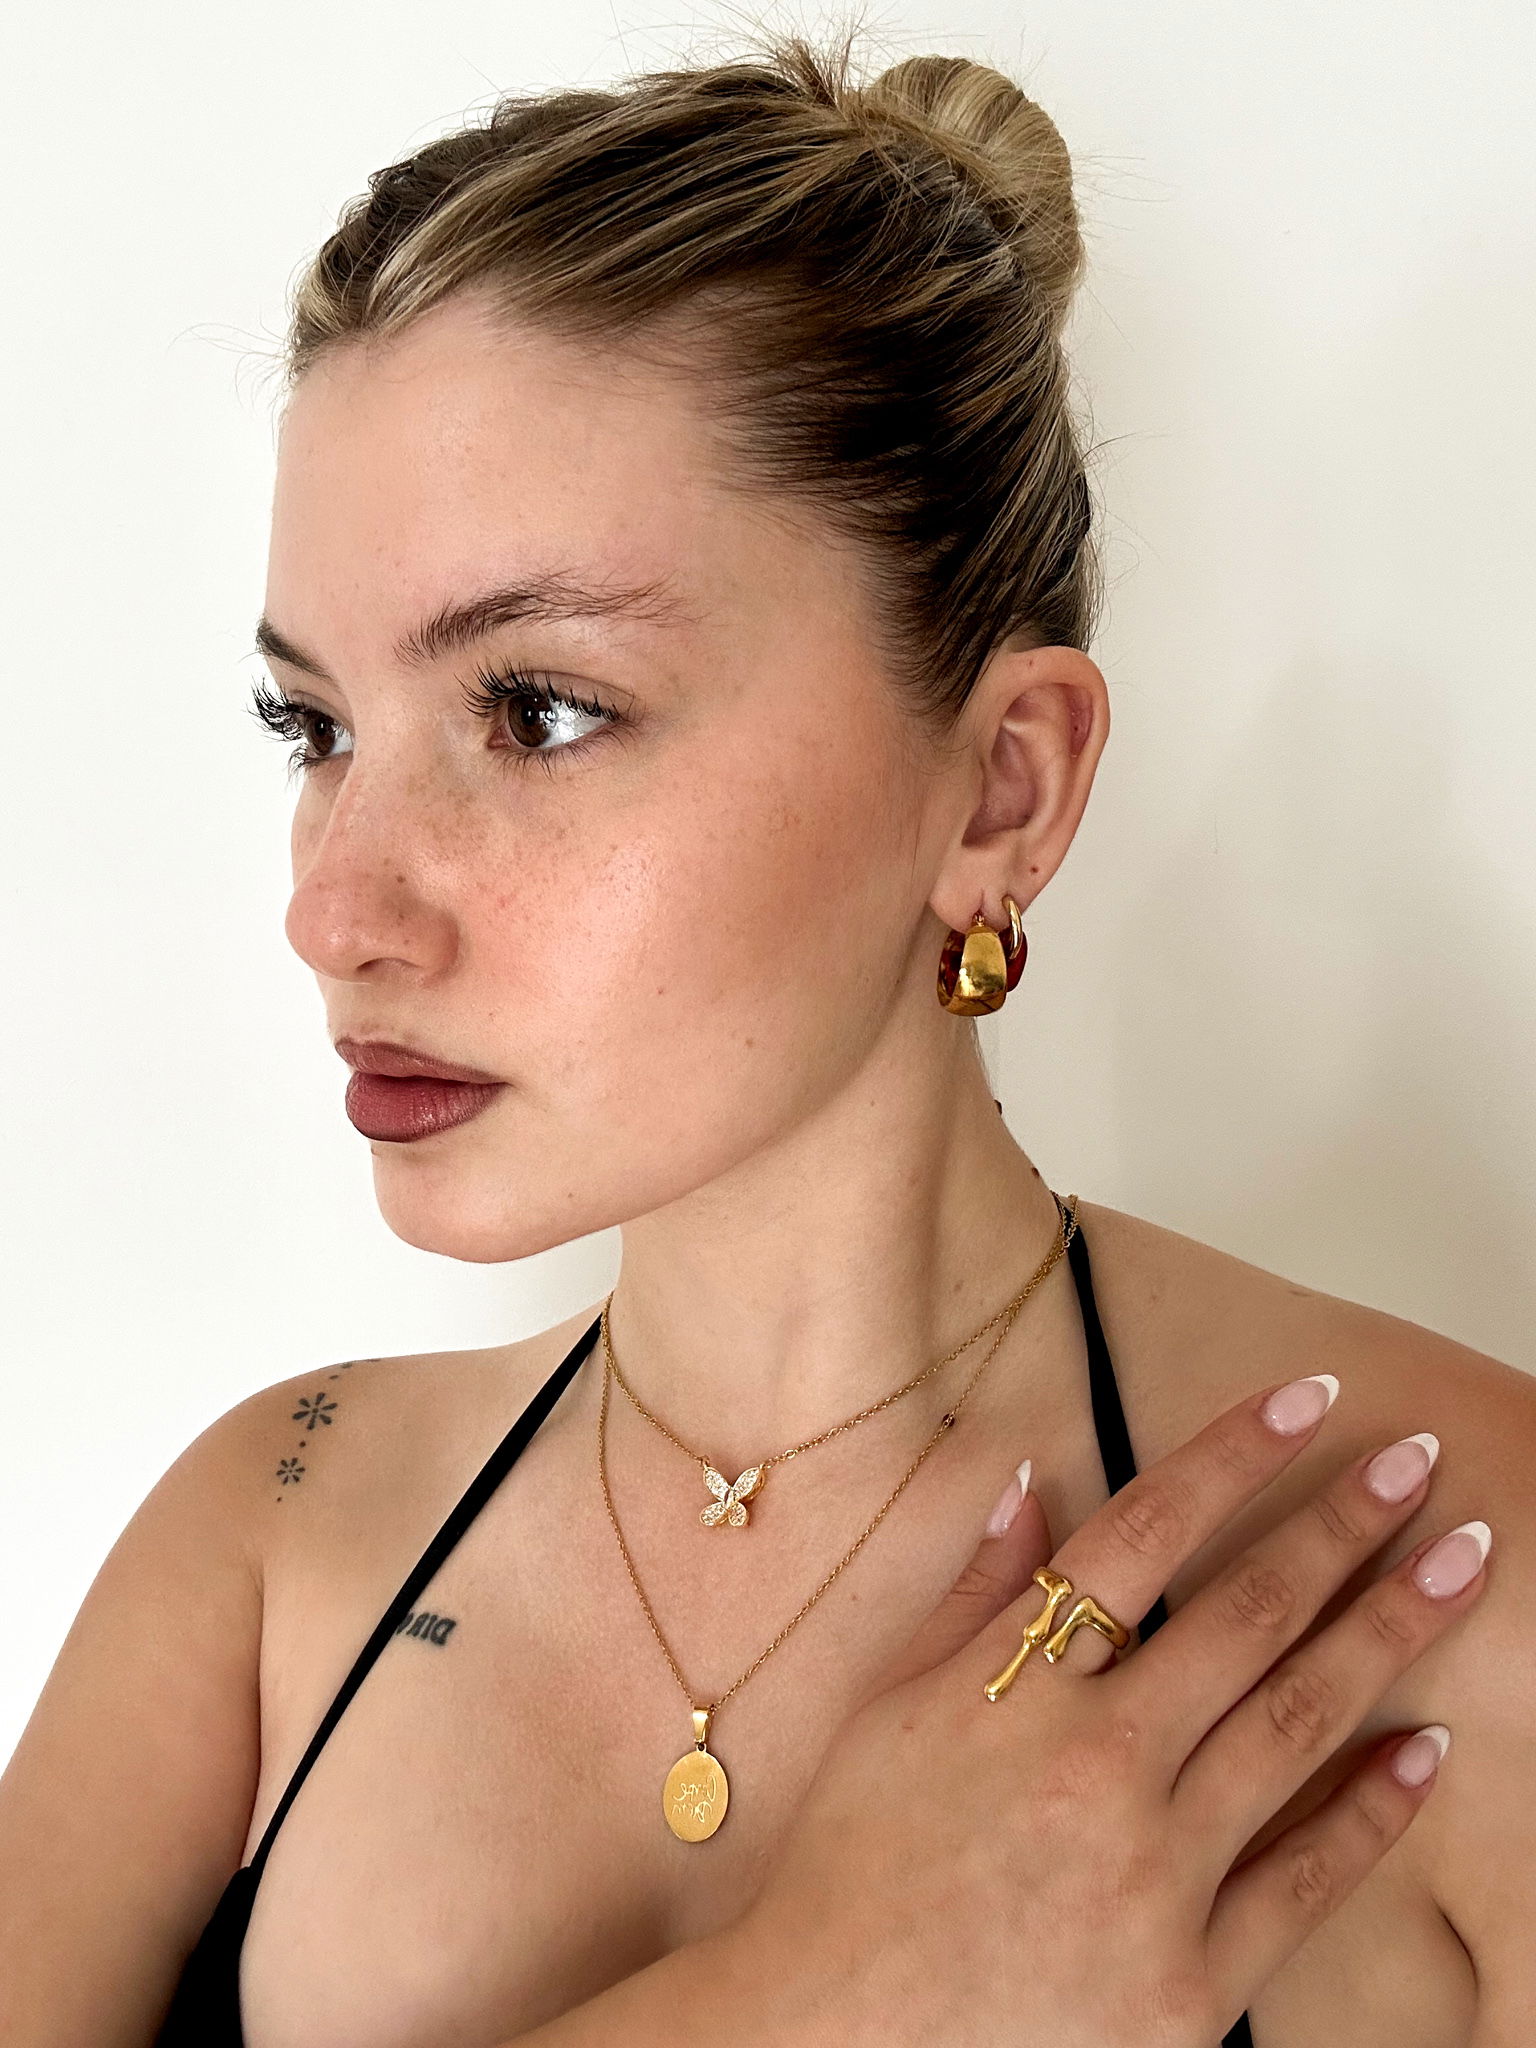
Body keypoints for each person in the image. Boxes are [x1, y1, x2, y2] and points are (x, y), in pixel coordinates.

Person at [1, 25, 1531, 2046]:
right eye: (319, 726)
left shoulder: (1457, 1592)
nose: (335, 910)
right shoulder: (271, 1544)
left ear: (1000, 785)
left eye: (539, 709)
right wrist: (818, 1995)